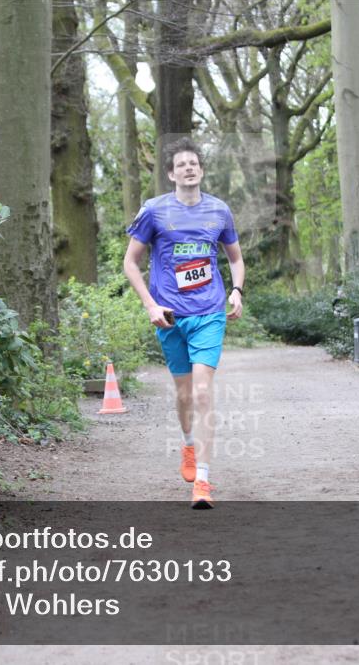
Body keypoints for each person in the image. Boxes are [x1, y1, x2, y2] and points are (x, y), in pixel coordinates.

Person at [123, 137, 245, 509]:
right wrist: (150, 305)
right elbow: (131, 263)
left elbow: (236, 259)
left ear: (201, 170)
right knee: (184, 394)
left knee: (203, 392)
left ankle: (203, 482)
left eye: (194, 163)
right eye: (181, 164)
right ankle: (188, 445)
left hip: (208, 312)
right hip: (169, 316)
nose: (188, 168)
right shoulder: (154, 212)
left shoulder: (219, 211)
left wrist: (237, 290)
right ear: (171, 173)